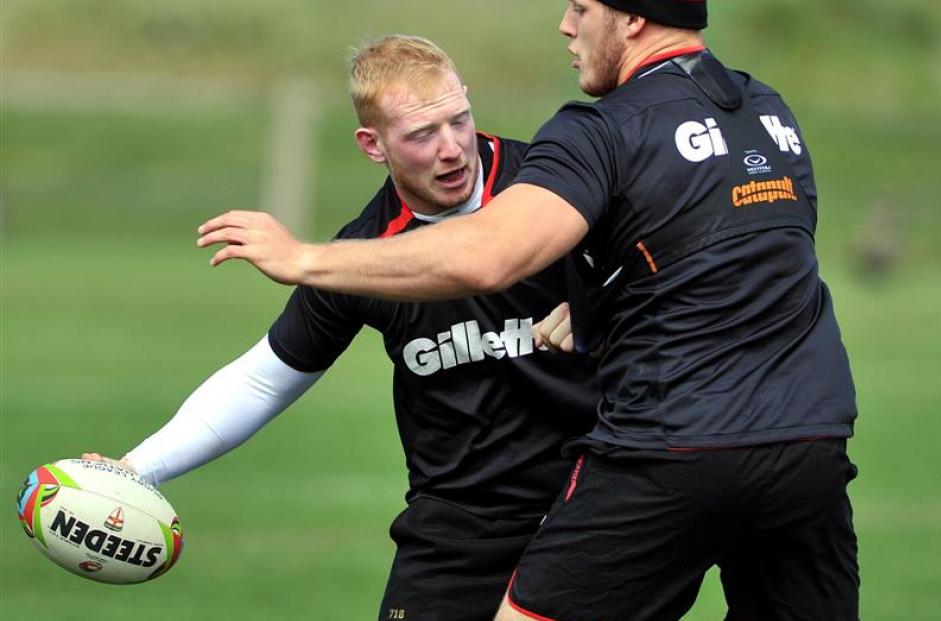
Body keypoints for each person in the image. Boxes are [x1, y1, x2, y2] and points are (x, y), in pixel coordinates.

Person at [196, 2, 861, 620]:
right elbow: (730, 261)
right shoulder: (769, 113)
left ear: (630, 19)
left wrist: (304, 259)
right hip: (812, 441)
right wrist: (603, 308)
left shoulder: (601, 128)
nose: (565, 26)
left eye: (580, 7)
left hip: (673, 444)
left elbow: (489, 254)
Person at [85, 35, 599, 621]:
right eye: (421, 135)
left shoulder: (554, 185)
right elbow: (265, 379)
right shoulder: (361, 254)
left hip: (590, 505)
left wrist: (606, 305)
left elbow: (684, 271)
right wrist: (135, 469)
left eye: (459, 120)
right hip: (457, 527)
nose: (452, 148)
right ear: (372, 145)